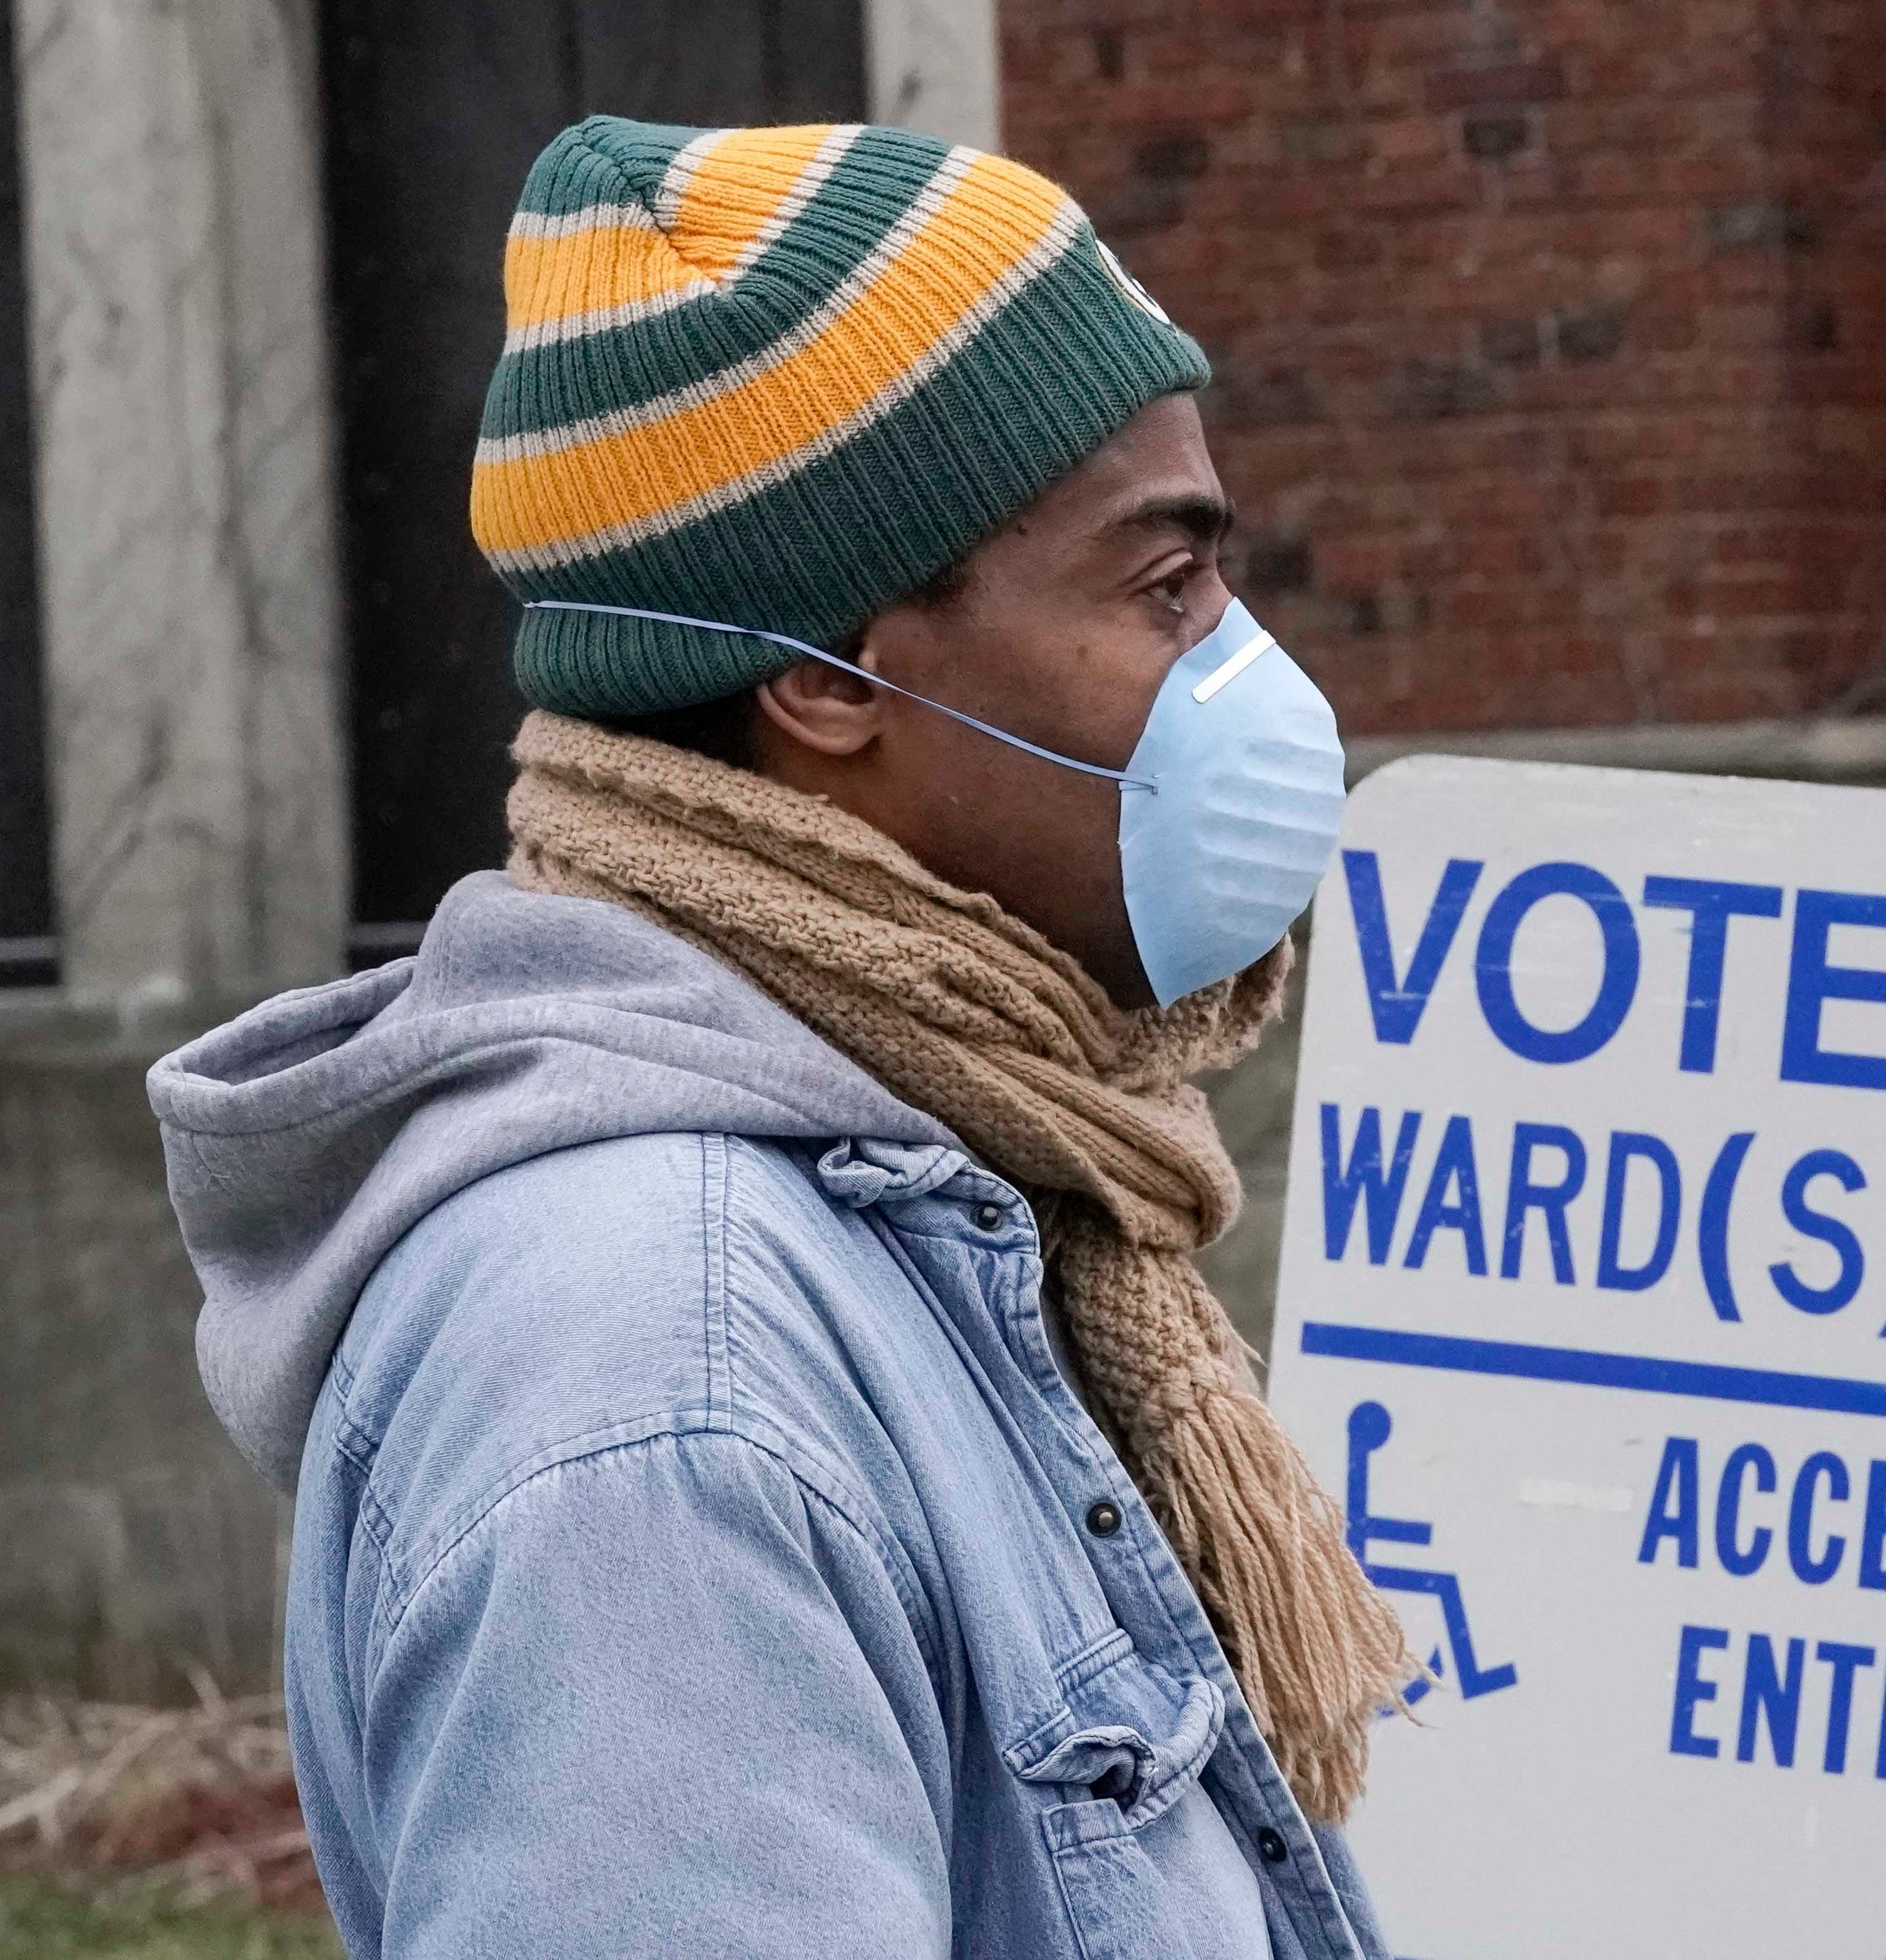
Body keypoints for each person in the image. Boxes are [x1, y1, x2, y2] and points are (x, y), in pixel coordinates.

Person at [148, 115, 1410, 1958]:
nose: (1245, 663)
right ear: (824, 678)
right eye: (1164, 584)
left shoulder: (947, 1189)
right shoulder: (663, 1375)